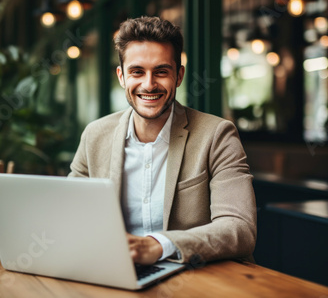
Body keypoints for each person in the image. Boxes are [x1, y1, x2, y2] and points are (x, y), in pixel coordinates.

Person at [69, 16, 256, 265]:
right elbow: (70, 216)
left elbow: (239, 228)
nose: (149, 84)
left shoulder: (217, 135)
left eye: (161, 72)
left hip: (197, 275)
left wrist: (159, 246)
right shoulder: (95, 136)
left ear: (178, 76)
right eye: (137, 72)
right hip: (119, 273)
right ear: (122, 76)